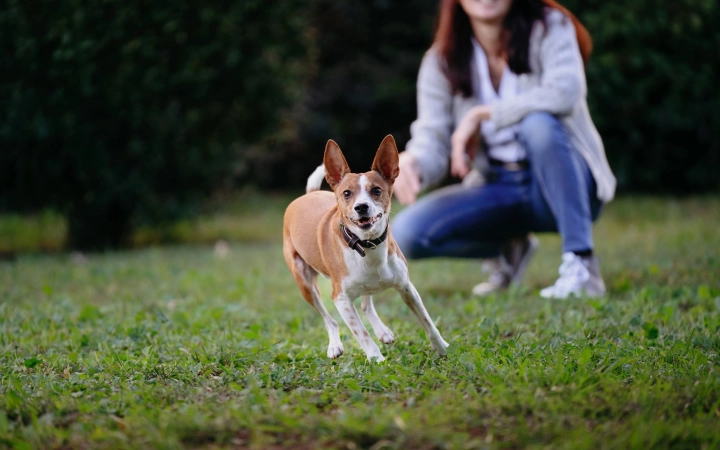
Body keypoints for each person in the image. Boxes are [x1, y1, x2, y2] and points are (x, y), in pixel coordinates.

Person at [391, 0, 616, 298]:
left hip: (564, 187)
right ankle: (512, 245)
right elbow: (433, 139)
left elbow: (566, 92)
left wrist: (483, 114)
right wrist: (413, 162)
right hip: (497, 185)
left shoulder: (550, 26)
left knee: (538, 125)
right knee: (405, 233)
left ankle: (582, 265)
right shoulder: (441, 59)